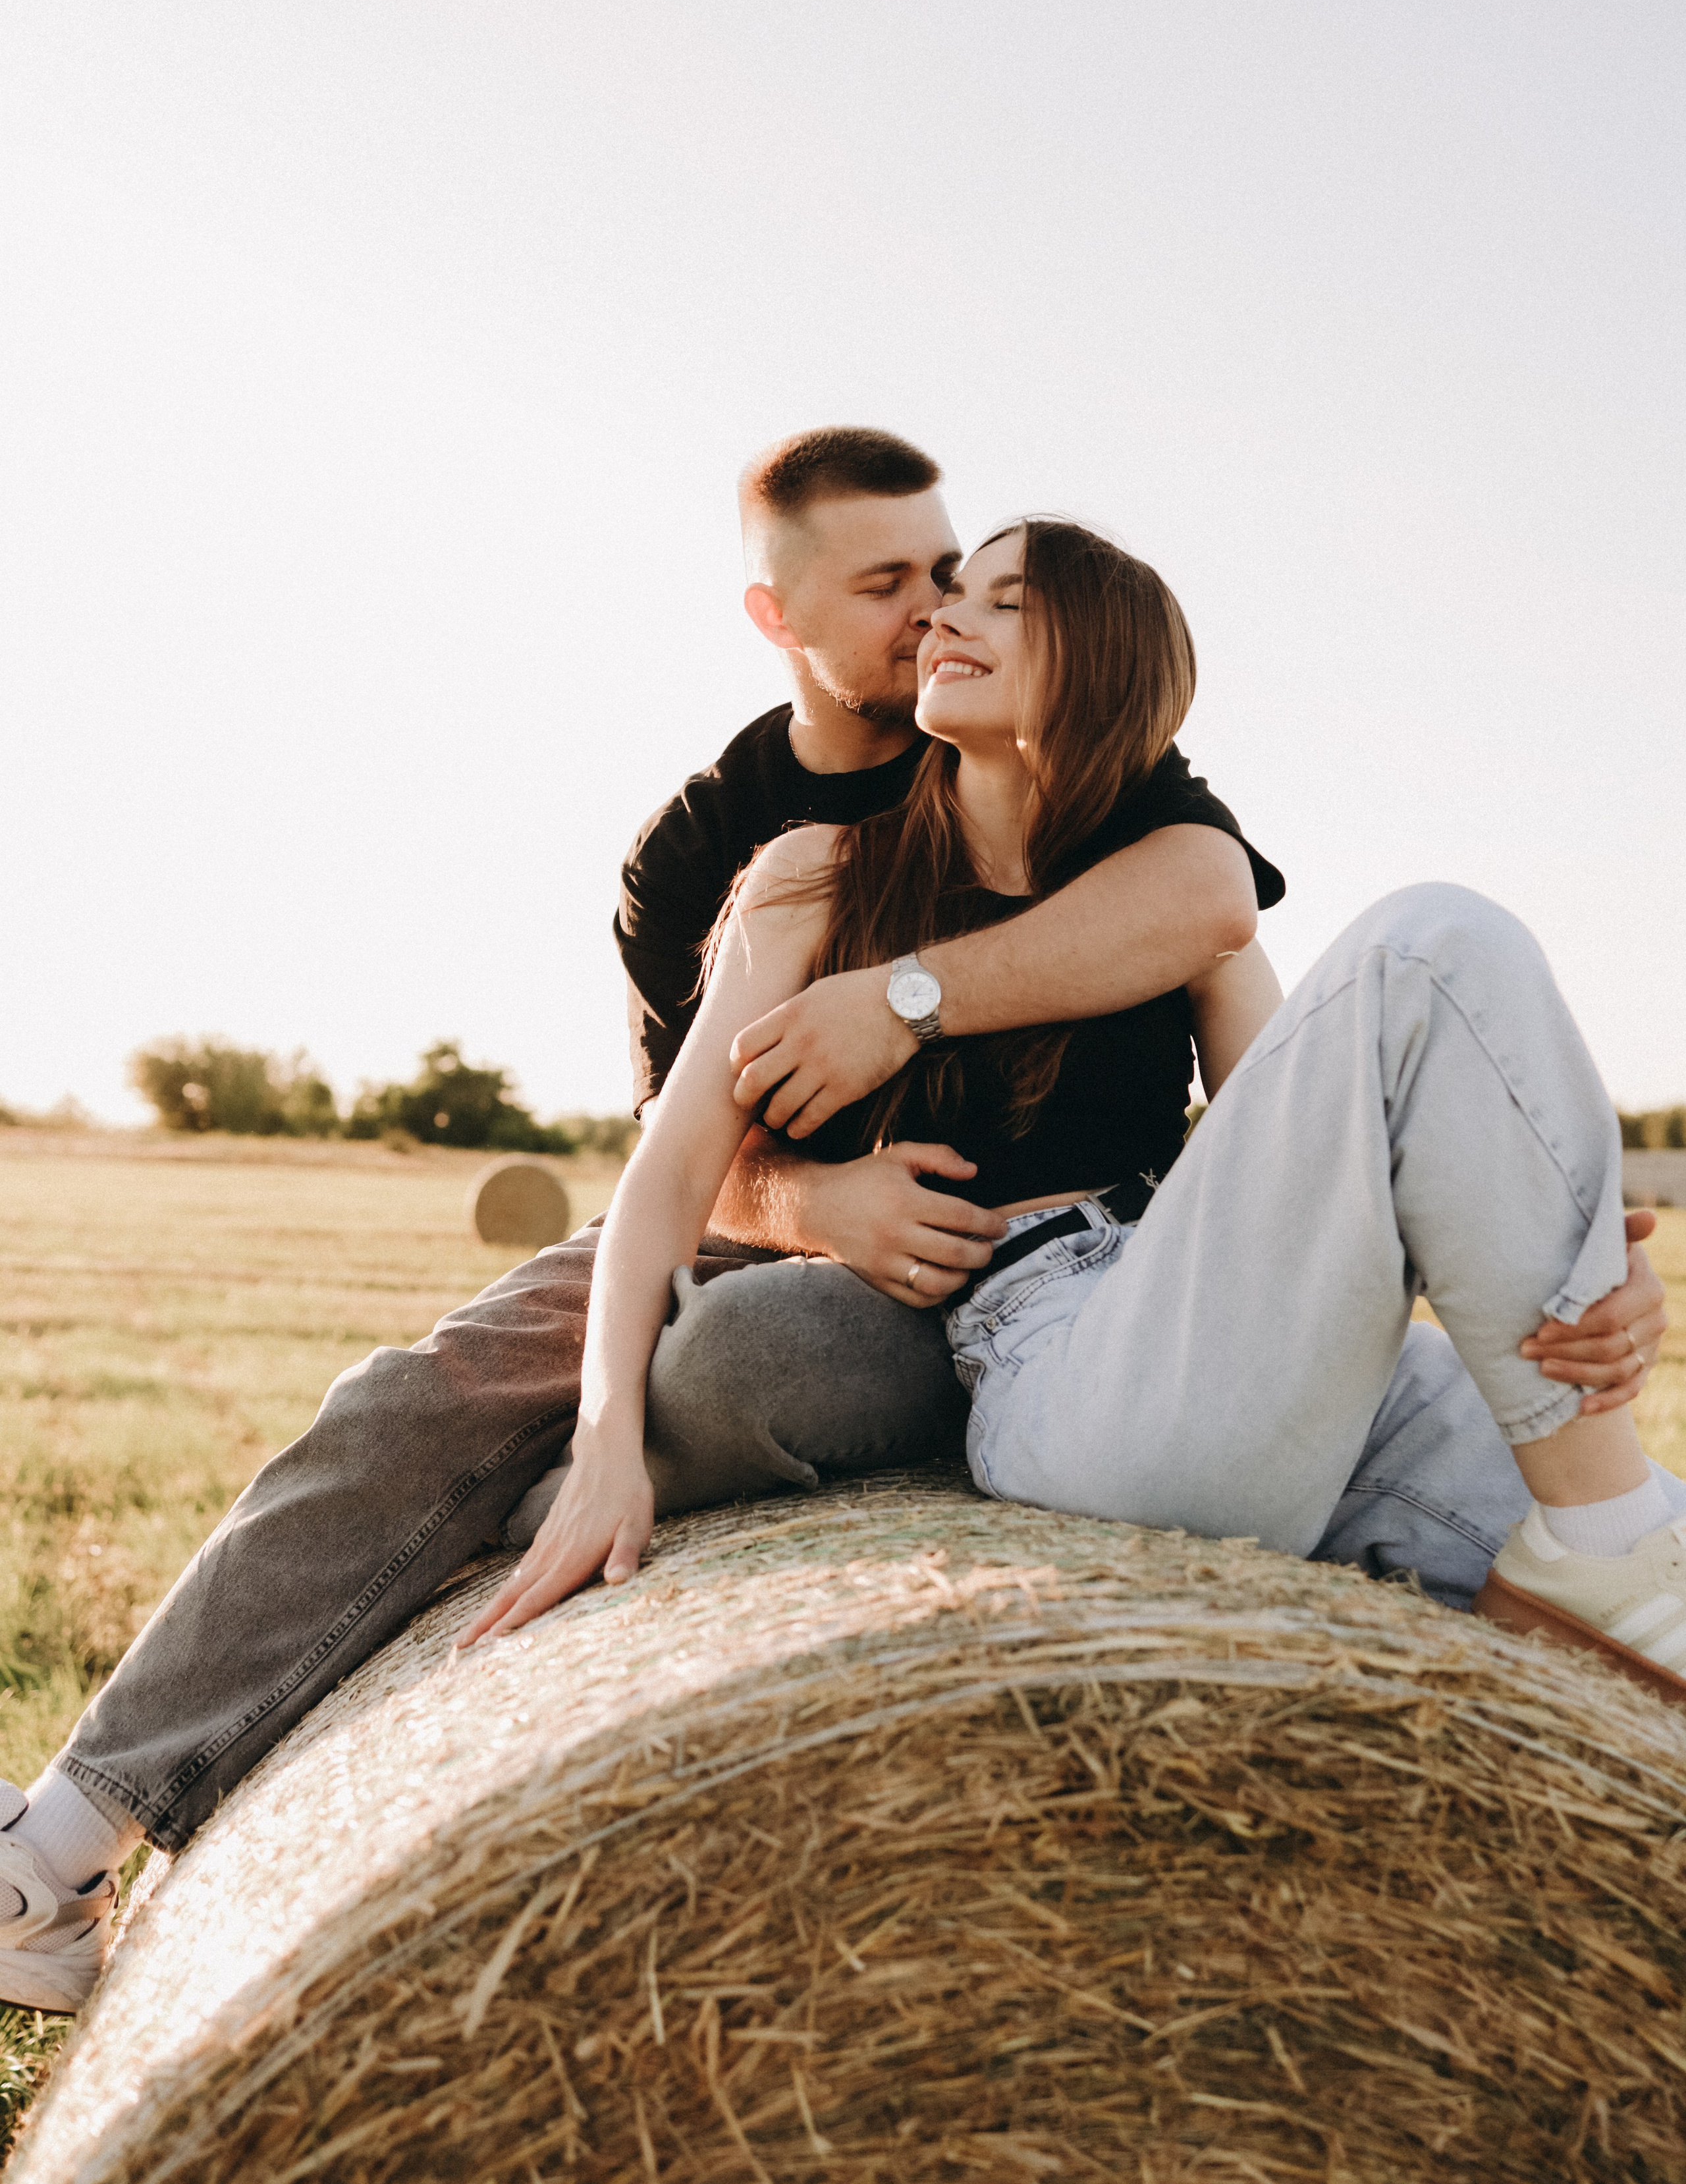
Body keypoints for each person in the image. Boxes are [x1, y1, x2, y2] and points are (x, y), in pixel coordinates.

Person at [0, 425, 1322, 2017]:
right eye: (892, 582)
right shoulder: (711, 844)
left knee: (720, 1374)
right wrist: (814, 1197)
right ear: (778, 619)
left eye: (954, 570)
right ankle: (49, 1858)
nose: (937, 609)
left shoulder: (1036, 727)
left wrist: (906, 1007)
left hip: (1016, 1260)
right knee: (415, 1399)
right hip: (769, 1222)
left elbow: (1207, 899)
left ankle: (507, 1527)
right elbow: (672, 1150)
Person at [460, 519, 1682, 1745]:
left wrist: (1568, 1275)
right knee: (1432, 945)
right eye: (950, 598)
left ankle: (1595, 1543)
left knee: (1648, 1570)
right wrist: (608, 1435)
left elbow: (1322, 1145)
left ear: (1101, 661)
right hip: (1061, 1354)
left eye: (1002, 601)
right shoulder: (818, 876)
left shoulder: (1160, 897)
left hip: (1227, 1330)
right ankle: (1601, 1542)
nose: (944, 617)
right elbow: (668, 1178)